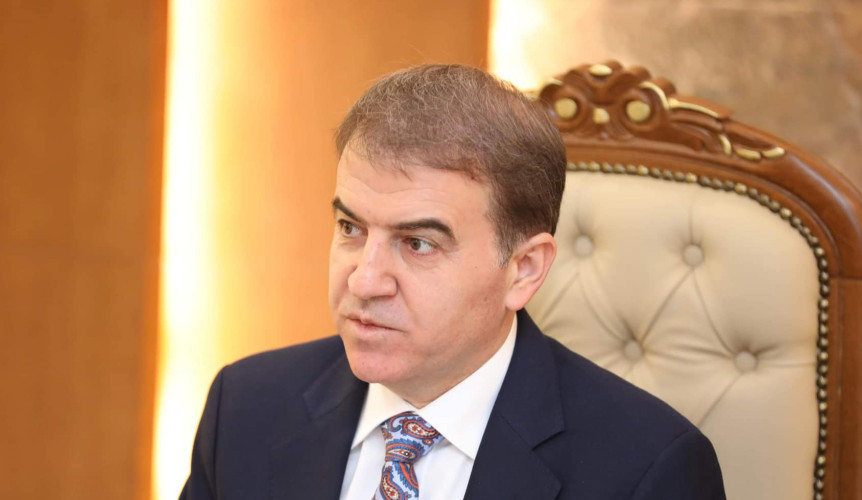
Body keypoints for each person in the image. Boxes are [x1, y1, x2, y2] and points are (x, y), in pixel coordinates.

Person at [180, 64, 725, 500]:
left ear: (523, 270)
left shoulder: (648, 470)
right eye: (351, 228)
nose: (365, 281)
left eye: (417, 243)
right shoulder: (246, 406)